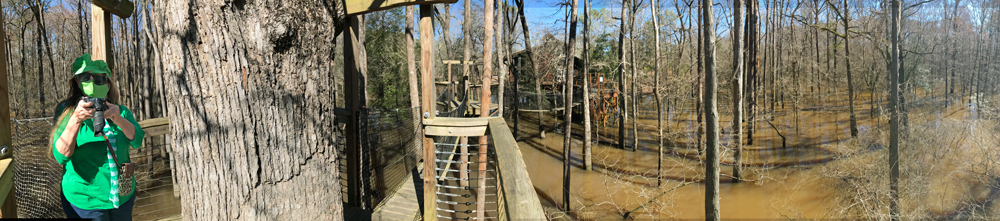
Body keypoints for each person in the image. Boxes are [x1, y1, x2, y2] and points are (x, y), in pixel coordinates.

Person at [50, 54, 145, 221]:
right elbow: (61, 157)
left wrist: (118, 119)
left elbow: (137, 141)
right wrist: (76, 119)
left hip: (122, 196)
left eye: (99, 79)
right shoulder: (67, 114)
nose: (92, 84)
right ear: (78, 84)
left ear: (108, 85)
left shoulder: (120, 111)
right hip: (86, 201)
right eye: (86, 78)